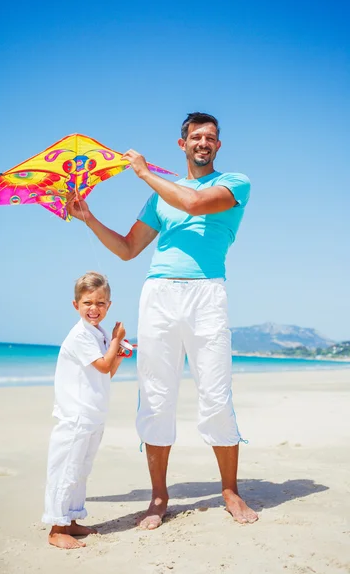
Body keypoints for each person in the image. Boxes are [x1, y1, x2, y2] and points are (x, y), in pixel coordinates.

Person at [68, 112, 258, 529]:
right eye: (195, 137)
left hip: (207, 292)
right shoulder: (159, 197)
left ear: (218, 146)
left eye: (210, 137)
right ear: (183, 144)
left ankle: (230, 490)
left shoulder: (234, 183)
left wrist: (142, 173)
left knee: (215, 392)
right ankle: (158, 496)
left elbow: (193, 203)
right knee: (156, 395)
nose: (203, 143)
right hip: (159, 294)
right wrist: (89, 218)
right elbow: (127, 248)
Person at [42, 271, 126, 549]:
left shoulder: (98, 334)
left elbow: (105, 372)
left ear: (109, 305)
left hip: (93, 413)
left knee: (81, 469)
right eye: (88, 302)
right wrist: (116, 341)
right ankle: (56, 527)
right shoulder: (80, 335)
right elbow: (102, 364)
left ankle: (72, 519)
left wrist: (118, 354)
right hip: (75, 415)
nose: (94, 309)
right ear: (76, 305)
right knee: (66, 469)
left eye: (101, 303)